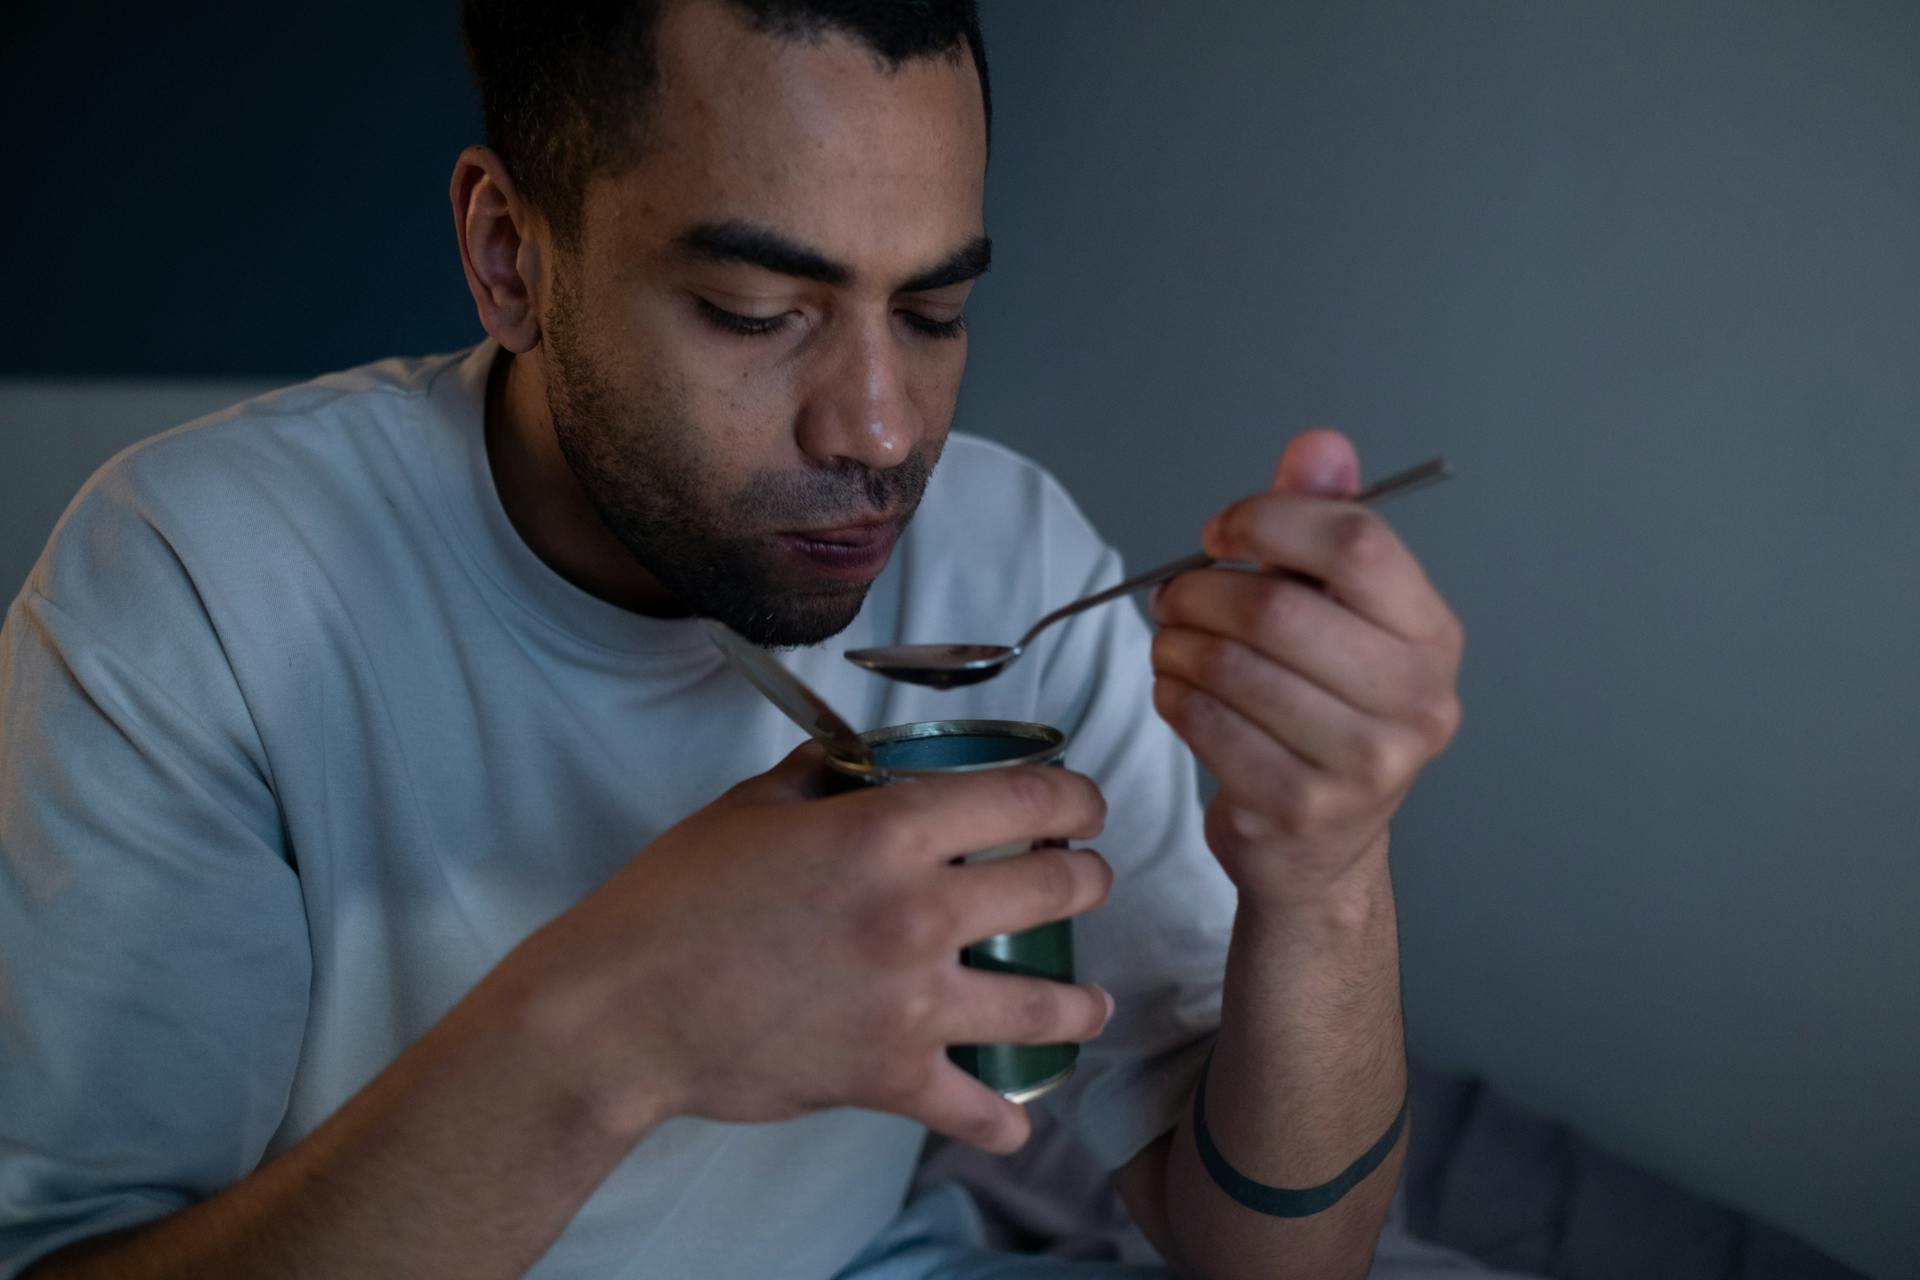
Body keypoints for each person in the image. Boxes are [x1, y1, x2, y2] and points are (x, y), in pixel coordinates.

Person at [0, 2, 1467, 1277]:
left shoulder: (1004, 554)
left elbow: (1290, 1260)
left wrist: (1327, 879)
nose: (882, 432)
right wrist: (612, 1031)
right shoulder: (201, 580)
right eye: (754, 311)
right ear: (510, 255)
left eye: (938, 308)